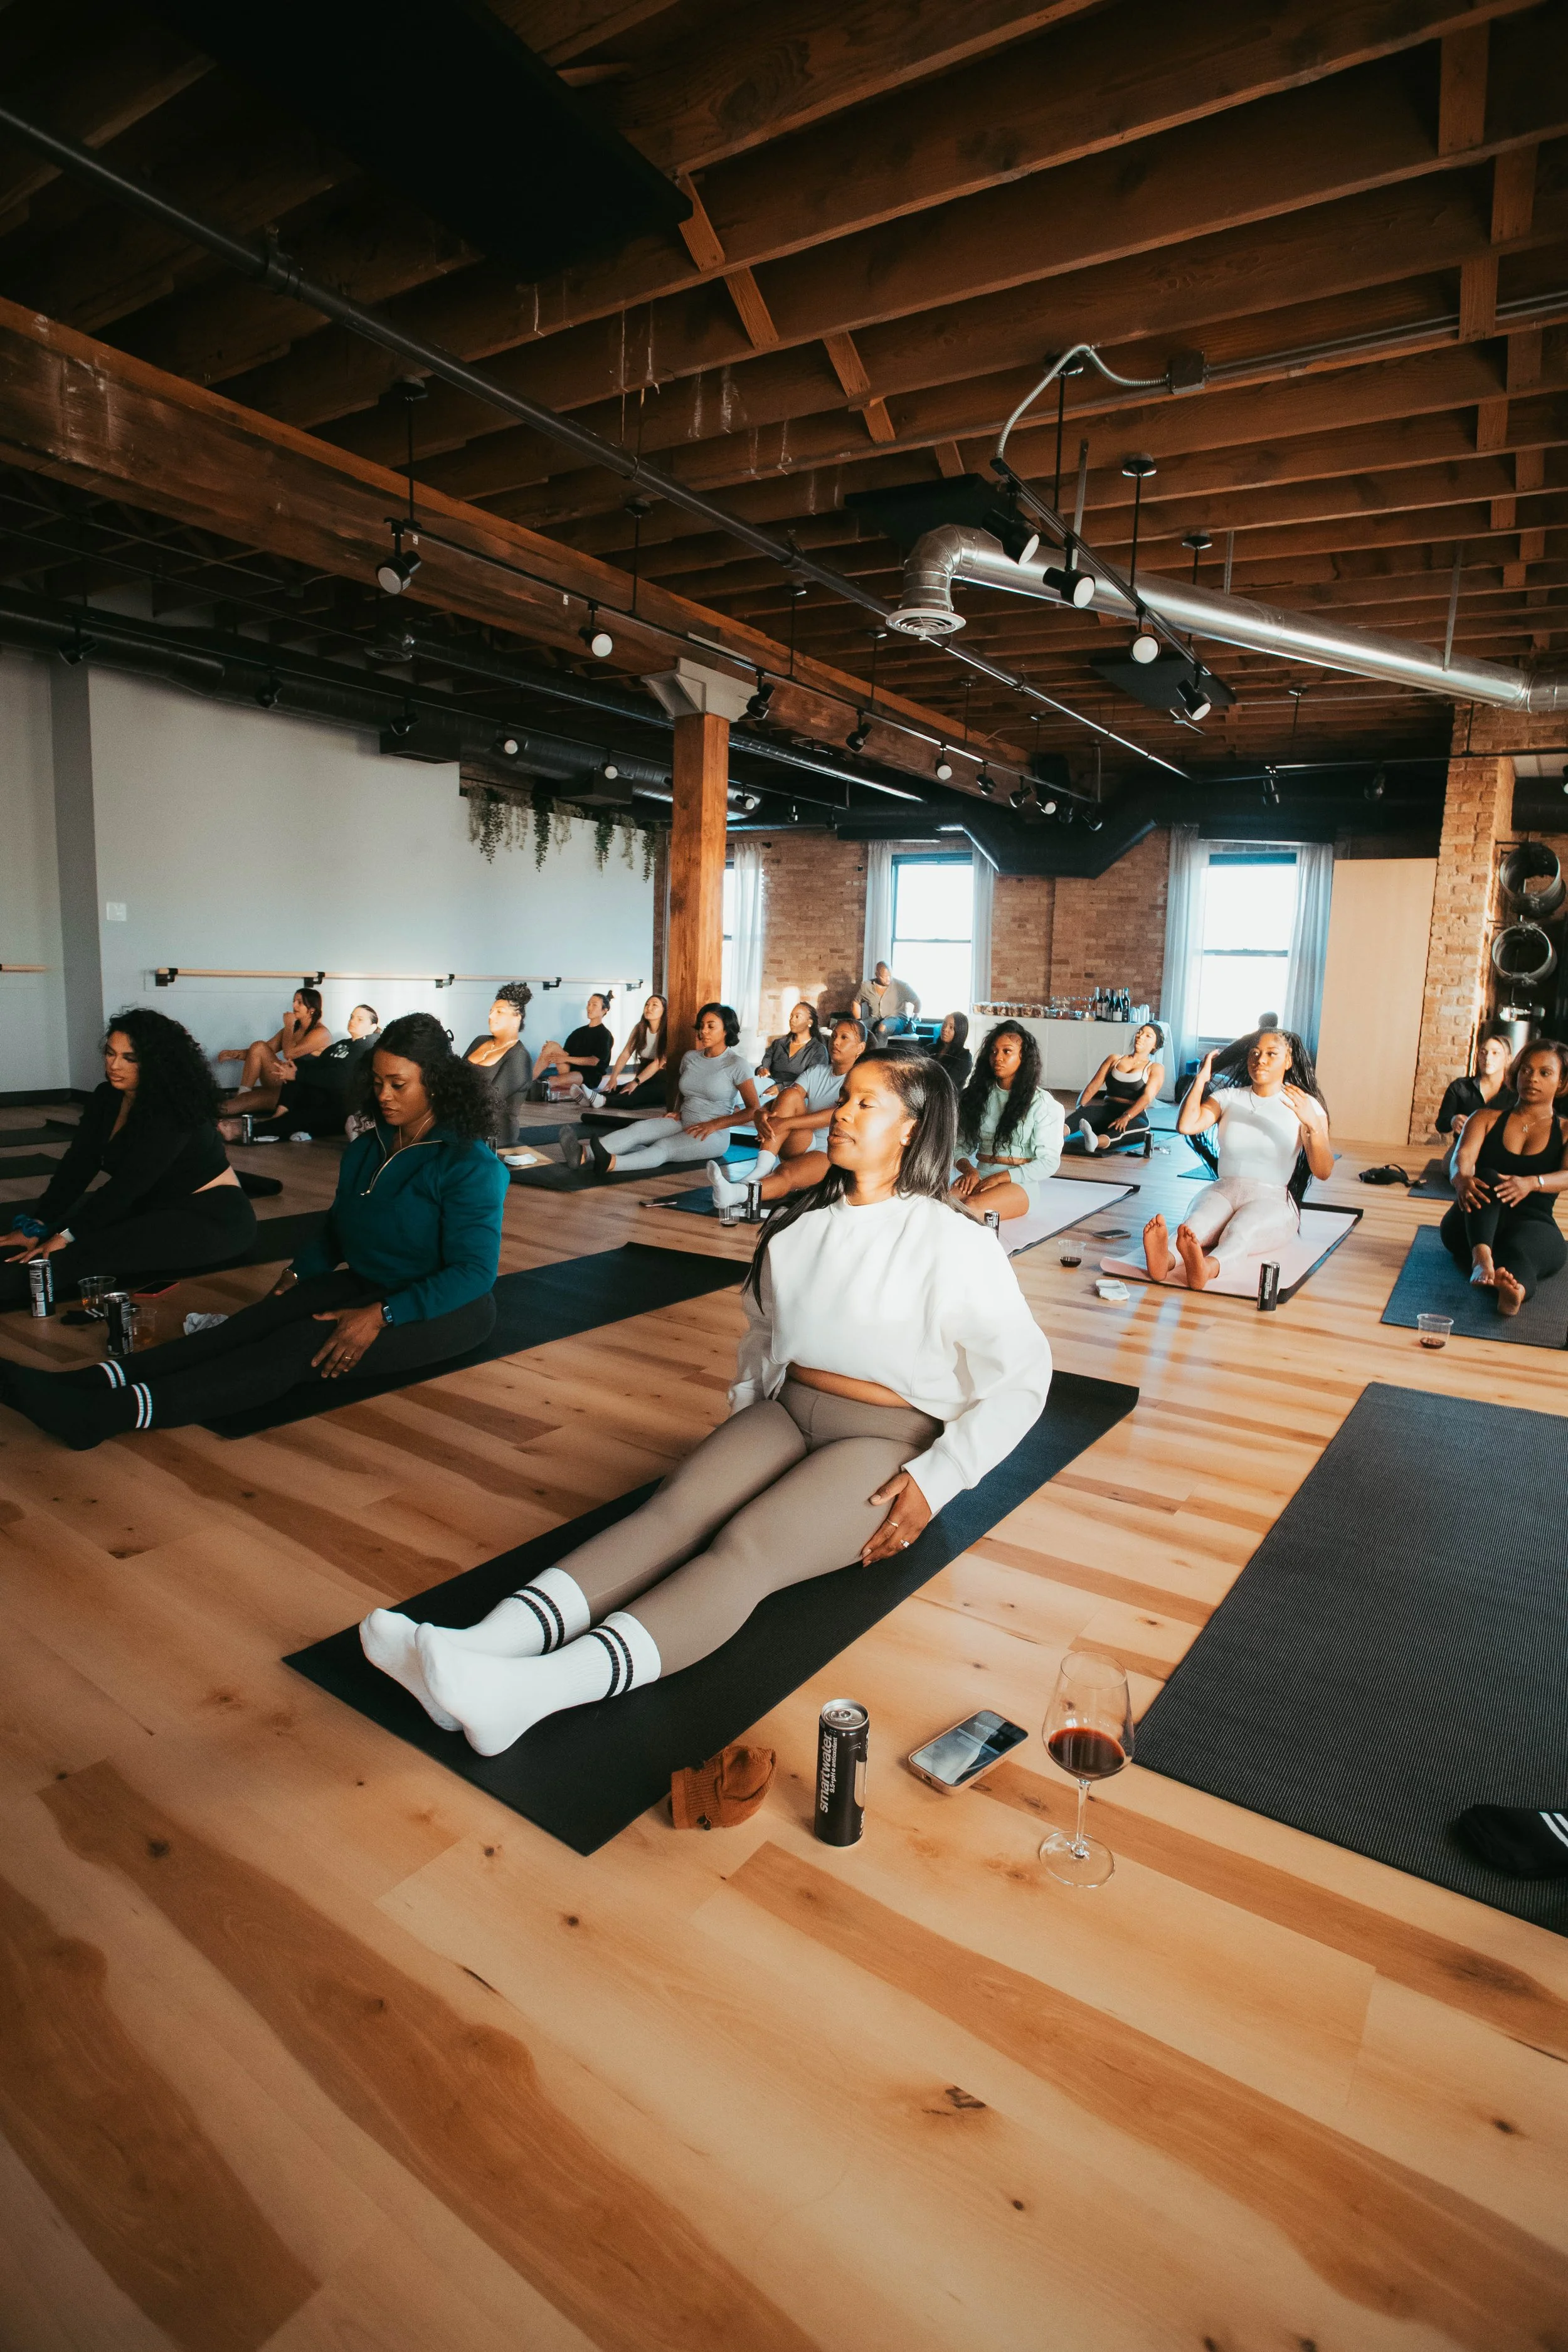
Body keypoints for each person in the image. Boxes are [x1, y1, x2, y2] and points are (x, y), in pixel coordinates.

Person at [358, 1051, 1052, 1755]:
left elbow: (1024, 1375)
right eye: (846, 1097)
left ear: (913, 1127)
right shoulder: (797, 1229)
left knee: (744, 1549)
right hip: (788, 1409)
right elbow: (762, 1333)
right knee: (671, 1514)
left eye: (866, 1104)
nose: (841, 1112)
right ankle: (477, 1648)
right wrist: (749, 1421)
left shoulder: (955, 1240)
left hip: (887, 1436)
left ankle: (527, 1696)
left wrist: (939, 1480)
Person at [0, 1015, 507, 1448]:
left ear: (438, 1083)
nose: (384, 1095)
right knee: (247, 1326)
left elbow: (474, 1272)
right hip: (368, 1280)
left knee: (293, 1349)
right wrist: (297, 1273)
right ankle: (88, 1382)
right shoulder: (368, 1147)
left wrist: (382, 1315)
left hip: (445, 1307)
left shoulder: (468, 1163)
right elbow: (339, 1227)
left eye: (399, 1084)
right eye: (376, 1082)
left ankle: (101, 1416)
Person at [0, 1009, 256, 1308]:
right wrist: (38, 1224)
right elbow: (77, 1166)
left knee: (76, 1253)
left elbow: (128, 1186)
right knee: (54, 1237)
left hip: (211, 1219)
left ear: (156, 1063)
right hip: (150, 1205)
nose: (114, 1065)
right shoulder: (106, 1097)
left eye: (129, 1058)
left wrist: (65, 1235)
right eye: (110, 1053)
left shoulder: (172, 1110)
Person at [1143, 1028, 1332, 1290]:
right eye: (1254, 1053)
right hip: (1223, 1189)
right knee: (1196, 1224)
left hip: (1273, 1198)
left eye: (1271, 1054)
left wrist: (1312, 1124)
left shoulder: (1305, 1105)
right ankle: (1165, 1260)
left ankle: (1207, 1268)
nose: (1260, 1060)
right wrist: (1201, 1080)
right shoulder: (1229, 1097)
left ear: (1288, 1061)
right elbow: (1187, 1125)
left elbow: (1323, 1170)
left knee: (1242, 1229)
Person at [1440, 1039, 1568, 1315]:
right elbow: (1462, 1158)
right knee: (1487, 1176)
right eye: (1525, 1070)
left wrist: (1533, 1182)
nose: (1532, 1078)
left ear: (1561, 1082)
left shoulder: (1566, 1130)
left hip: (1533, 1221)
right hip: (1473, 1220)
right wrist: (1461, 1178)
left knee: (1523, 1251)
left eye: (1544, 1073)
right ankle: (1482, 1258)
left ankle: (1514, 1291)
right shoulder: (1484, 1118)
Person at [561, 1002, 760, 1175]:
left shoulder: (736, 1064)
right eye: (701, 1026)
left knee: (663, 1147)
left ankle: (613, 1163)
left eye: (711, 1026)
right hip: (683, 1120)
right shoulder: (691, 1058)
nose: (703, 1032)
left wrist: (714, 1125)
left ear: (727, 1030)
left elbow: (753, 1110)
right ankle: (583, 1154)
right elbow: (685, 1090)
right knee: (638, 1130)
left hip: (713, 1135)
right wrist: (677, 1110)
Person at [709, 1016, 867, 1209]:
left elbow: (837, 1114)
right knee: (790, 1093)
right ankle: (762, 1166)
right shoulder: (817, 1071)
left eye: (844, 1038)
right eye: (834, 1036)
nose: (835, 1042)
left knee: (786, 1173)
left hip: (831, 1148)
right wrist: (761, 1112)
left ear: (860, 1048)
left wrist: (786, 1124)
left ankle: (735, 1193)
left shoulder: (860, 1080)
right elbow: (785, 1099)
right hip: (802, 1141)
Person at [950, 1020, 1064, 1222]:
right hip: (981, 1174)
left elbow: (1049, 1162)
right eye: (994, 1052)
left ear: (1023, 1057)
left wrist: (1001, 1178)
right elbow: (959, 1146)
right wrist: (969, 1170)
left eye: (1007, 1052)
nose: (998, 1058)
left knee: (969, 1209)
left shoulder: (1041, 1103)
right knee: (940, 1208)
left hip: (1020, 1182)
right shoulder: (977, 1096)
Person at [223, 1003, 381, 1142]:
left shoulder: (366, 1046)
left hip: (336, 1104)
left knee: (297, 1117)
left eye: (359, 1019)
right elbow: (315, 1064)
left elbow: (340, 1078)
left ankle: (247, 1129)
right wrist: (295, 1071)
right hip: (313, 1093)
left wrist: (298, 1074)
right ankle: (279, 1114)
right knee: (297, 1065)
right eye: (352, 1017)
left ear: (373, 1027)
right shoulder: (342, 1044)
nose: (352, 1021)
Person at [218, 985, 332, 1111]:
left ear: (311, 1009)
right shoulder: (292, 1029)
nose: (294, 1006)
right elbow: (260, 1052)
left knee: (239, 1103)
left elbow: (290, 1054)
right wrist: (234, 1054)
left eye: (299, 1003)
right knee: (259, 1046)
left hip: (301, 1092)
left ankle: (239, 1102)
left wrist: (289, 1025)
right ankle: (242, 1092)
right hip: (284, 1082)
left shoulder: (321, 1033)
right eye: (294, 1001)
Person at [1066, 1023, 1165, 1153]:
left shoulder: (1155, 1068)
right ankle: (1053, 1136)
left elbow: (1147, 1098)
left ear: (1155, 1046)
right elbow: (1094, 1085)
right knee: (1083, 1115)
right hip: (1107, 1110)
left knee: (1122, 1131)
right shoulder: (1114, 1059)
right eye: (1140, 1032)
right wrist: (1080, 1107)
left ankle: (1095, 1142)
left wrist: (1126, 1116)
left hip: (1134, 1116)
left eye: (1148, 1036)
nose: (1141, 1037)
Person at [464, 983, 534, 1143]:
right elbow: (453, 1076)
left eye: (499, 1012)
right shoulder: (480, 1041)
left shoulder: (519, 1057)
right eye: (491, 1012)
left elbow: (488, 1099)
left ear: (517, 1018)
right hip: (462, 1125)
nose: (491, 1016)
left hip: (494, 1136)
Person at [1436, 1024, 1516, 1140]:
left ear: (1508, 1059)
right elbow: (1441, 1124)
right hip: (1465, 1146)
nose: (1488, 1058)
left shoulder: (1514, 1092)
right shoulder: (1460, 1087)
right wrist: (1453, 1120)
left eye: (1495, 1053)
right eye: (1483, 1052)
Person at [591, 994, 667, 1110]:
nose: (649, 1008)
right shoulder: (640, 1028)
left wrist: (636, 1082)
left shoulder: (668, 1031)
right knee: (617, 1089)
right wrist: (613, 1078)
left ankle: (602, 1101)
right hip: (644, 1075)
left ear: (664, 1011)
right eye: (647, 1004)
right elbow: (626, 1053)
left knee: (632, 1094)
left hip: (662, 1080)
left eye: (654, 1005)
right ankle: (592, 1097)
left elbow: (658, 1063)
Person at [531, 993, 614, 1094]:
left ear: (604, 1010)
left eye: (594, 1005)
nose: (589, 1008)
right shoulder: (578, 1032)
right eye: (588, 1004)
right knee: (551, 1045)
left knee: (553, 1080)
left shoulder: (605, 1035)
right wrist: (549, 1050)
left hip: (588, 1077)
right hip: (569, 1070)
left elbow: (593, 1061)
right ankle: (529, 1080)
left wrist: (565, 1059)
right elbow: (566, 1054)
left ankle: (544, 1085)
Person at [758, 1002, 827, 1089]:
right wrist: (761, 1070)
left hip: (797, 1092)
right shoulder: (778, 1044)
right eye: (791, 1016)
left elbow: (812, 1080)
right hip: (770, 1086)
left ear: (810, 1022)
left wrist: (781, 1088)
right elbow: (764, 1065)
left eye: (797, 1017)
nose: (792, 1020)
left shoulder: (818, 1050)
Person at [855, 961, 920, 1037]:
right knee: (858, 1028)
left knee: (883, 1028)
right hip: (875, 1018)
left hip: (897, 1020)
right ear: (877, 975)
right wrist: (858, 1020)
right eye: (885, 977)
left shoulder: (901, 986)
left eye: (890, 976)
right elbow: (856, 1003)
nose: (888, 979)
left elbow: (917, 1002)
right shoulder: (867, 986)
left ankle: (879, 1049)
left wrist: (912, 1020)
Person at [933, 1010, 972, 1093]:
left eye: (951, 1027)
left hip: (947, 1101)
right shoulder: (931, 1048)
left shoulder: (964, 1057)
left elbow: (947, 1084)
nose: (945, 1029)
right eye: (944, 1024)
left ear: (960, 1031)